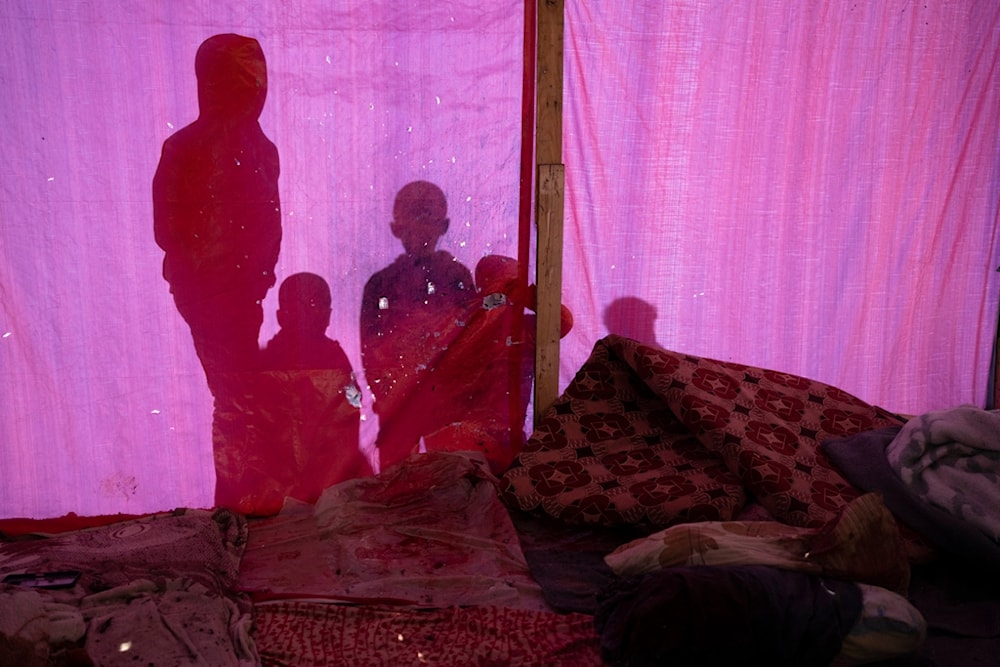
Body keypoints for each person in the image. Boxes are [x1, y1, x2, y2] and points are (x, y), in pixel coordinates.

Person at [152, 33, 281, 397]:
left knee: (237, 388)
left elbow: (271, 220)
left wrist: (256, 275)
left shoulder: (261, 150)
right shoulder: (185, 147)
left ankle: (242, 443)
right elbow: (167, 228)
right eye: (243, 78)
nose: (254, 88)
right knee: (233, 389)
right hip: (210, 291)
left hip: (238, 291)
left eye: (255, 78)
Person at [215, 272, 371, 514]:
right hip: (277, 486)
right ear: (280, 316)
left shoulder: (335, 358)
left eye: (318, 306)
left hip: (329, 474)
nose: (311, 315)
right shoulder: (267, 362)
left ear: (329, 314)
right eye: (301, 307)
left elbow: (352, 409)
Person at [360, 181, 475, 470]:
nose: (421, 228)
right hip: (397, 400)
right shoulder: (381, 285)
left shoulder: (457, 278)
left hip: (447, 399)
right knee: (396, 479)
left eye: (428, 218)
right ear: (396, 228)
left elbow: (472, 337)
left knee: (448, 473)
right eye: (414, 217)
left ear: (444, 226)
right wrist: (386, 391)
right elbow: (370, 347)